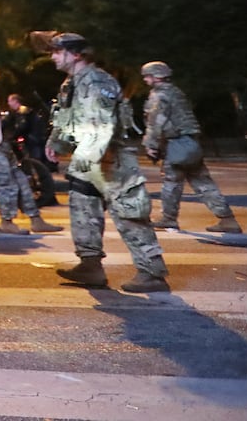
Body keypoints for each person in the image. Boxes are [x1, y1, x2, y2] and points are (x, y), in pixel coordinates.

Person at [42, 31, 170, 293]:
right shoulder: (71, 83)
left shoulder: (98, 81)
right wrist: (56, 144)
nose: (53, 57)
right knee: (83, 211)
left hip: (111, 161)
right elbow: (67, 118)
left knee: (129, 215)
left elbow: (101, 127)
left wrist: (86, 159)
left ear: (75, 54)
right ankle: (90, 266)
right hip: (87, 160)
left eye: (57, 51)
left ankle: (152, 274)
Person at [140, 60, 242, 234]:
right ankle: (227, 219)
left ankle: (169, 218)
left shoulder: (159, 96)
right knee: (203, 182)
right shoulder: (176, 92)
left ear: (156, 77)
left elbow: (156, 122)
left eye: (147, 77)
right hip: (191, 143)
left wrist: (151, 145)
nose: (145, 80)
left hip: (176, 144)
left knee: (171, 183)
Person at [0, 69, 60, 235]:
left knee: (21, 181)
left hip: (0, 145)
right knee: (5, 184)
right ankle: (7, 221)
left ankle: (35, 219)